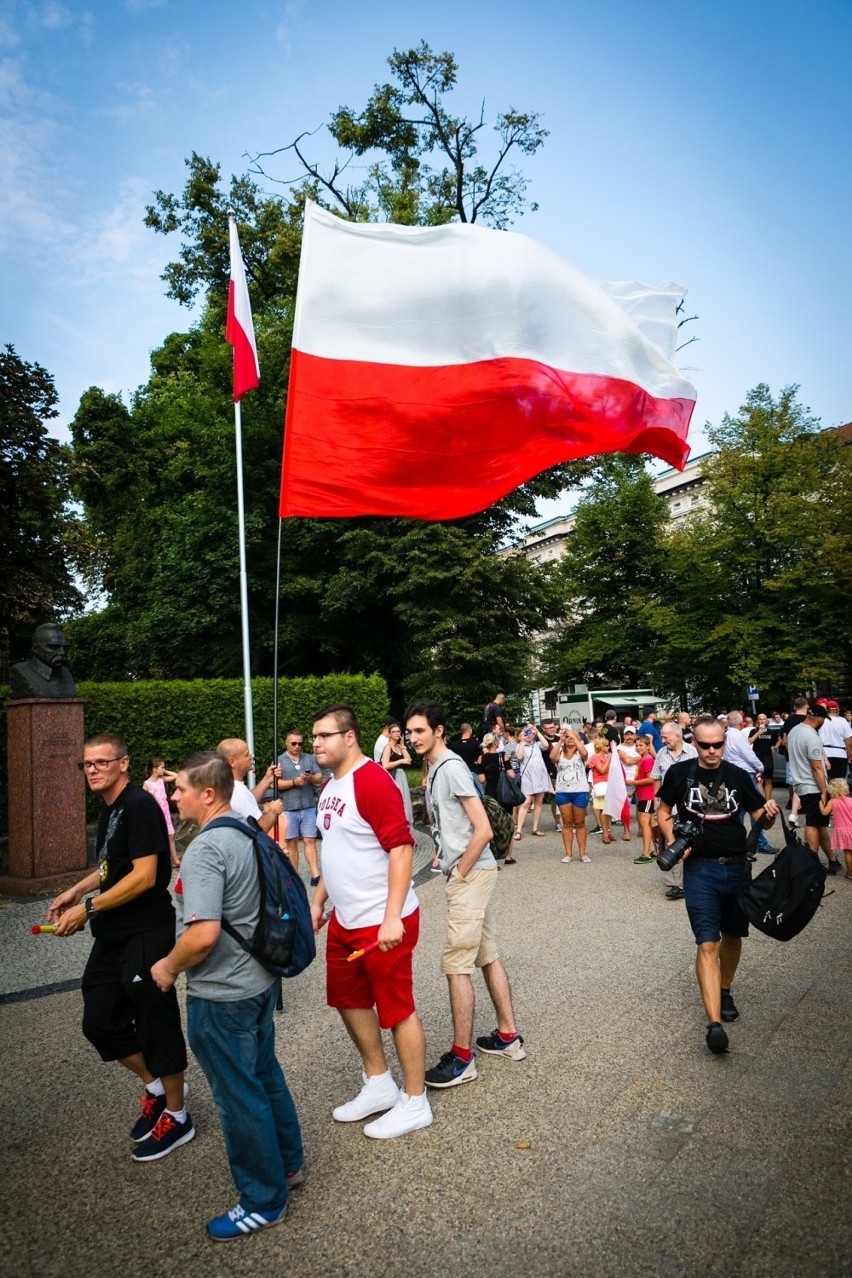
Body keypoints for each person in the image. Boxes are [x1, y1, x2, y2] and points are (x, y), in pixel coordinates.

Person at [150, 751, 304, 1241]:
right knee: (263, 1075)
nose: (174, 796)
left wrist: (167, 967)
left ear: (208, 794)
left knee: (238, 1095)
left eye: (181, 789)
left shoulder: (205, 850)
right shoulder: (244, 829)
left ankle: (262, 1200)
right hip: (258, 980)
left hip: (221, 994)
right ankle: (288, 1166)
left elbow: (202, 935)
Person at [47, 732, 192, 1160]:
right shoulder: (111, 809)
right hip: (113, 932)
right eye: (86, 764)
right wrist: (77, 890)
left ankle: (179, 1116)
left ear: (124, 764)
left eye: (101, 762)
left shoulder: (140, 806)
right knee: (100, 1019)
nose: (92, 770)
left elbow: (146, 876)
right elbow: (113, 866)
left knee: (154, 1019)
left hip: (146, 930)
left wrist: (88, 908)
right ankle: (156, 1089)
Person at [309, 703, 432, 1139]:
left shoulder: (372, 781)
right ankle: (379, 1083)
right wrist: (318, 901)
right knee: (349, 1000)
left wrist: (392, 916)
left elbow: (401, 849)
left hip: (383, 920)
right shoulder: (330, 786)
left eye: (324, 736)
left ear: (349, 737)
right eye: (314, 737)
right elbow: (336, 849)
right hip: (346, 919)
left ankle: (415, 1102)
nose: (316, 743)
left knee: (397, 1010)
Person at [406, 699, 526, 1087]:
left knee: (455, 964)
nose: (413, 738)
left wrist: (459, 868)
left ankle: (461, 1059)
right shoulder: (437, 768)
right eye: (410, 732)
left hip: (471, 875)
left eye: (420, 730)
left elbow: (483, 829)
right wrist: (442, 852)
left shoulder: (453, 768)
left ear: (439, 730)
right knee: (486, 954)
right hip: (468, 871)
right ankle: (508, 1036)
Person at [657, 716, 779, 1055]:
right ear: (693, 742)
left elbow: (758, 817)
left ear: (726, 742)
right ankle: (714, 1024)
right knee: (707, 943)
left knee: (733, 937)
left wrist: (768, 812)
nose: (712, 751)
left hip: (738, 868)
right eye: (705, 744)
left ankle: (725, 990)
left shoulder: (738, 775)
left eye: (718, 744)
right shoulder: (679, 774)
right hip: (700, 871)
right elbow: (663, 807)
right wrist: (672, 840)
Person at [787, 705, 841, 874]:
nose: (824, 722)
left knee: (818, 823)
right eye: (824, 719)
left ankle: (832, 860)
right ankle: (811, 865)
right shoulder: (811, 736)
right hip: (812, 785)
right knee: (812, 823)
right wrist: (824, 791)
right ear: (818, 718)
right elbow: (817, 767)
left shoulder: (795, 730)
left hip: (801, 783)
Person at [650, 721, 698, 899]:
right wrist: (656, 801)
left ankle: (691, 880)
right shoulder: (661, 753)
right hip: (668, 808)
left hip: (690, 806)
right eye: (661, 736)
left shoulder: (693, 752)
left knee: (690, 843)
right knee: (670, 843)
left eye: (665, 737)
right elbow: (656, 778)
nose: (662, 740)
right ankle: (674, 884)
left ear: (677, 736)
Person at [277, 729, 323, 884]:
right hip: (289, 808)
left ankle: (315, 874)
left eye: (300, 743)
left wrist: (310, 778)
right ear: (287, 743)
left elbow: (319, 777)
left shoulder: (309, 758)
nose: (297, 746)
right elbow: (274, 784)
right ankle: (294, 875)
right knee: (291, 843)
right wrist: (293, 782)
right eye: (294, 743)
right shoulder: (279, 761)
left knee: (310, 840)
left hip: (308, 806)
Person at [217, 738, 283, 836]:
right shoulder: (238, 791)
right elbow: (260, 828)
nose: (251, 757)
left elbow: (249, 799)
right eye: (246, 754)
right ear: (232, 762)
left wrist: (267, 780)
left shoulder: (229, 784)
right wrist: (273, 812)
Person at [551, 726, 590, 864]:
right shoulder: (560, 752)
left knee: (580, 822)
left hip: (580, 790)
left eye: (572, 738)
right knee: (567, 823)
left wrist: (574, 735)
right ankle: (568, 853)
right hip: (563, 791)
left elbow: (585, 754)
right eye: (568, 737)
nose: (570, 739)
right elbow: (552, 757)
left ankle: (582, 853)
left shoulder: (581, 753)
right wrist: (561, 740)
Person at [9, 622, 76, 698]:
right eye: (53, 647)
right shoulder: (19, 671)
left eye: (65, 648)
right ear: (35, 649)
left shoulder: (65, 673)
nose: (62, 652)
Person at [514, 723, 553, 839]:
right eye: (525, 733)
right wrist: (522, 741)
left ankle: (535, 828)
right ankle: (519, 830)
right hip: (528, 776)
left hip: (540, 775)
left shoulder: (537, 744)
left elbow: (546, 745)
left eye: (529, 733)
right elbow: (519, 757)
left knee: (539, 802)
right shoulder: (519, 745)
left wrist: (537, 731)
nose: (528, 735)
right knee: (526, 802)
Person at [143, 757, 180, 868]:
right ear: (154, 769)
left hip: (166, 812)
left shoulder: (161, 780)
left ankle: (175, 860)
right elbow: (143, 801)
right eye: (162, 767)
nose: (164, 769)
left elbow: (176, 776)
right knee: (159, 836)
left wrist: (165, 771)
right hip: (157, 813)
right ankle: (160, 861)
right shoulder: (147, 784)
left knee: (171, 835)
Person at [778, 696, 809, 825]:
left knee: (793, 781)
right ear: (806, 706)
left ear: (795, 706)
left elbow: (785, 741)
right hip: (809, 756)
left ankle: (792, 803)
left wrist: (792, 753)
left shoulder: (789, 721)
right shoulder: (810, 719)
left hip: (793, 757)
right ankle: (808, 804)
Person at [381, 722, 415, 832]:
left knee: (404, 802)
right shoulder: (388, 747)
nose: (396, 733)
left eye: (398, 731)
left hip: (401, 776)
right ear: (389, 734)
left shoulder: (399, 747)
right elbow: (385, 765)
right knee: (397, 803)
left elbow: (408, 760)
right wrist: (401, 760)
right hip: (394, 777)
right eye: (393, 731)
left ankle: (406, 830)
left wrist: (403, 744)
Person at [629, 736, 657, 862]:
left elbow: (651, 779)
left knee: (645, 824)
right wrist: (634, 789)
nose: (638, 747)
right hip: (643, 795)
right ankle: (657, 849)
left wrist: (632, 782)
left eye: (641, 745)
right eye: (637, 745)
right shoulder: (642, 760)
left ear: (647, 746)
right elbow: (642, 778)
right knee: (649, 824)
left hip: (648, 796)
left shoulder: (647, 760)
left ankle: (646, 853)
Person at [820, 779, 852, 879]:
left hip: (843, 831)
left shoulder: (833, 802)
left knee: (848, 852)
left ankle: (850, 872)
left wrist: (821, 804)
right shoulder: (851, 800)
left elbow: (825, 812)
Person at [588, 736, 614, 842]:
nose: (608, 747)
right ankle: (605, 834)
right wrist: (610, 759)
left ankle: (608, 831)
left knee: (608, 810)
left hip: (609, 783)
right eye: (606, 745)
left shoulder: (606, 756)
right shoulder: (595, 757)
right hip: (601, 784)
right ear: (600, 746)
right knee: (603, 810)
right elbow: (602, 770)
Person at [819, 701, 852, 782]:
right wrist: (848, 755)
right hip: (840, 754)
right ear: (838, 710)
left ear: (827, 710)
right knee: (838, 784)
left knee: (824, 782)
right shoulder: (843, 721)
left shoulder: (821, 720)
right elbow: (849, 741)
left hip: (824, 754)